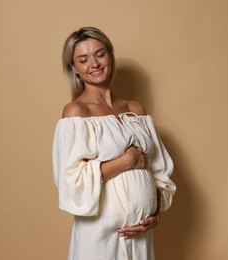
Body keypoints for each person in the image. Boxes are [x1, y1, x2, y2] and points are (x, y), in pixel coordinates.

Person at [52, 26, 176, 260]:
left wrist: (155, 213)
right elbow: (70, 182)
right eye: (83, 59)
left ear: (110, 56)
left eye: (100, 54)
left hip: (139, 234)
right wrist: (127, 161)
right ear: (74, 69)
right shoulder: (76, 112)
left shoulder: (135, 110)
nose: (95, 64)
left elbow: (159, 170)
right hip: (99, 235)